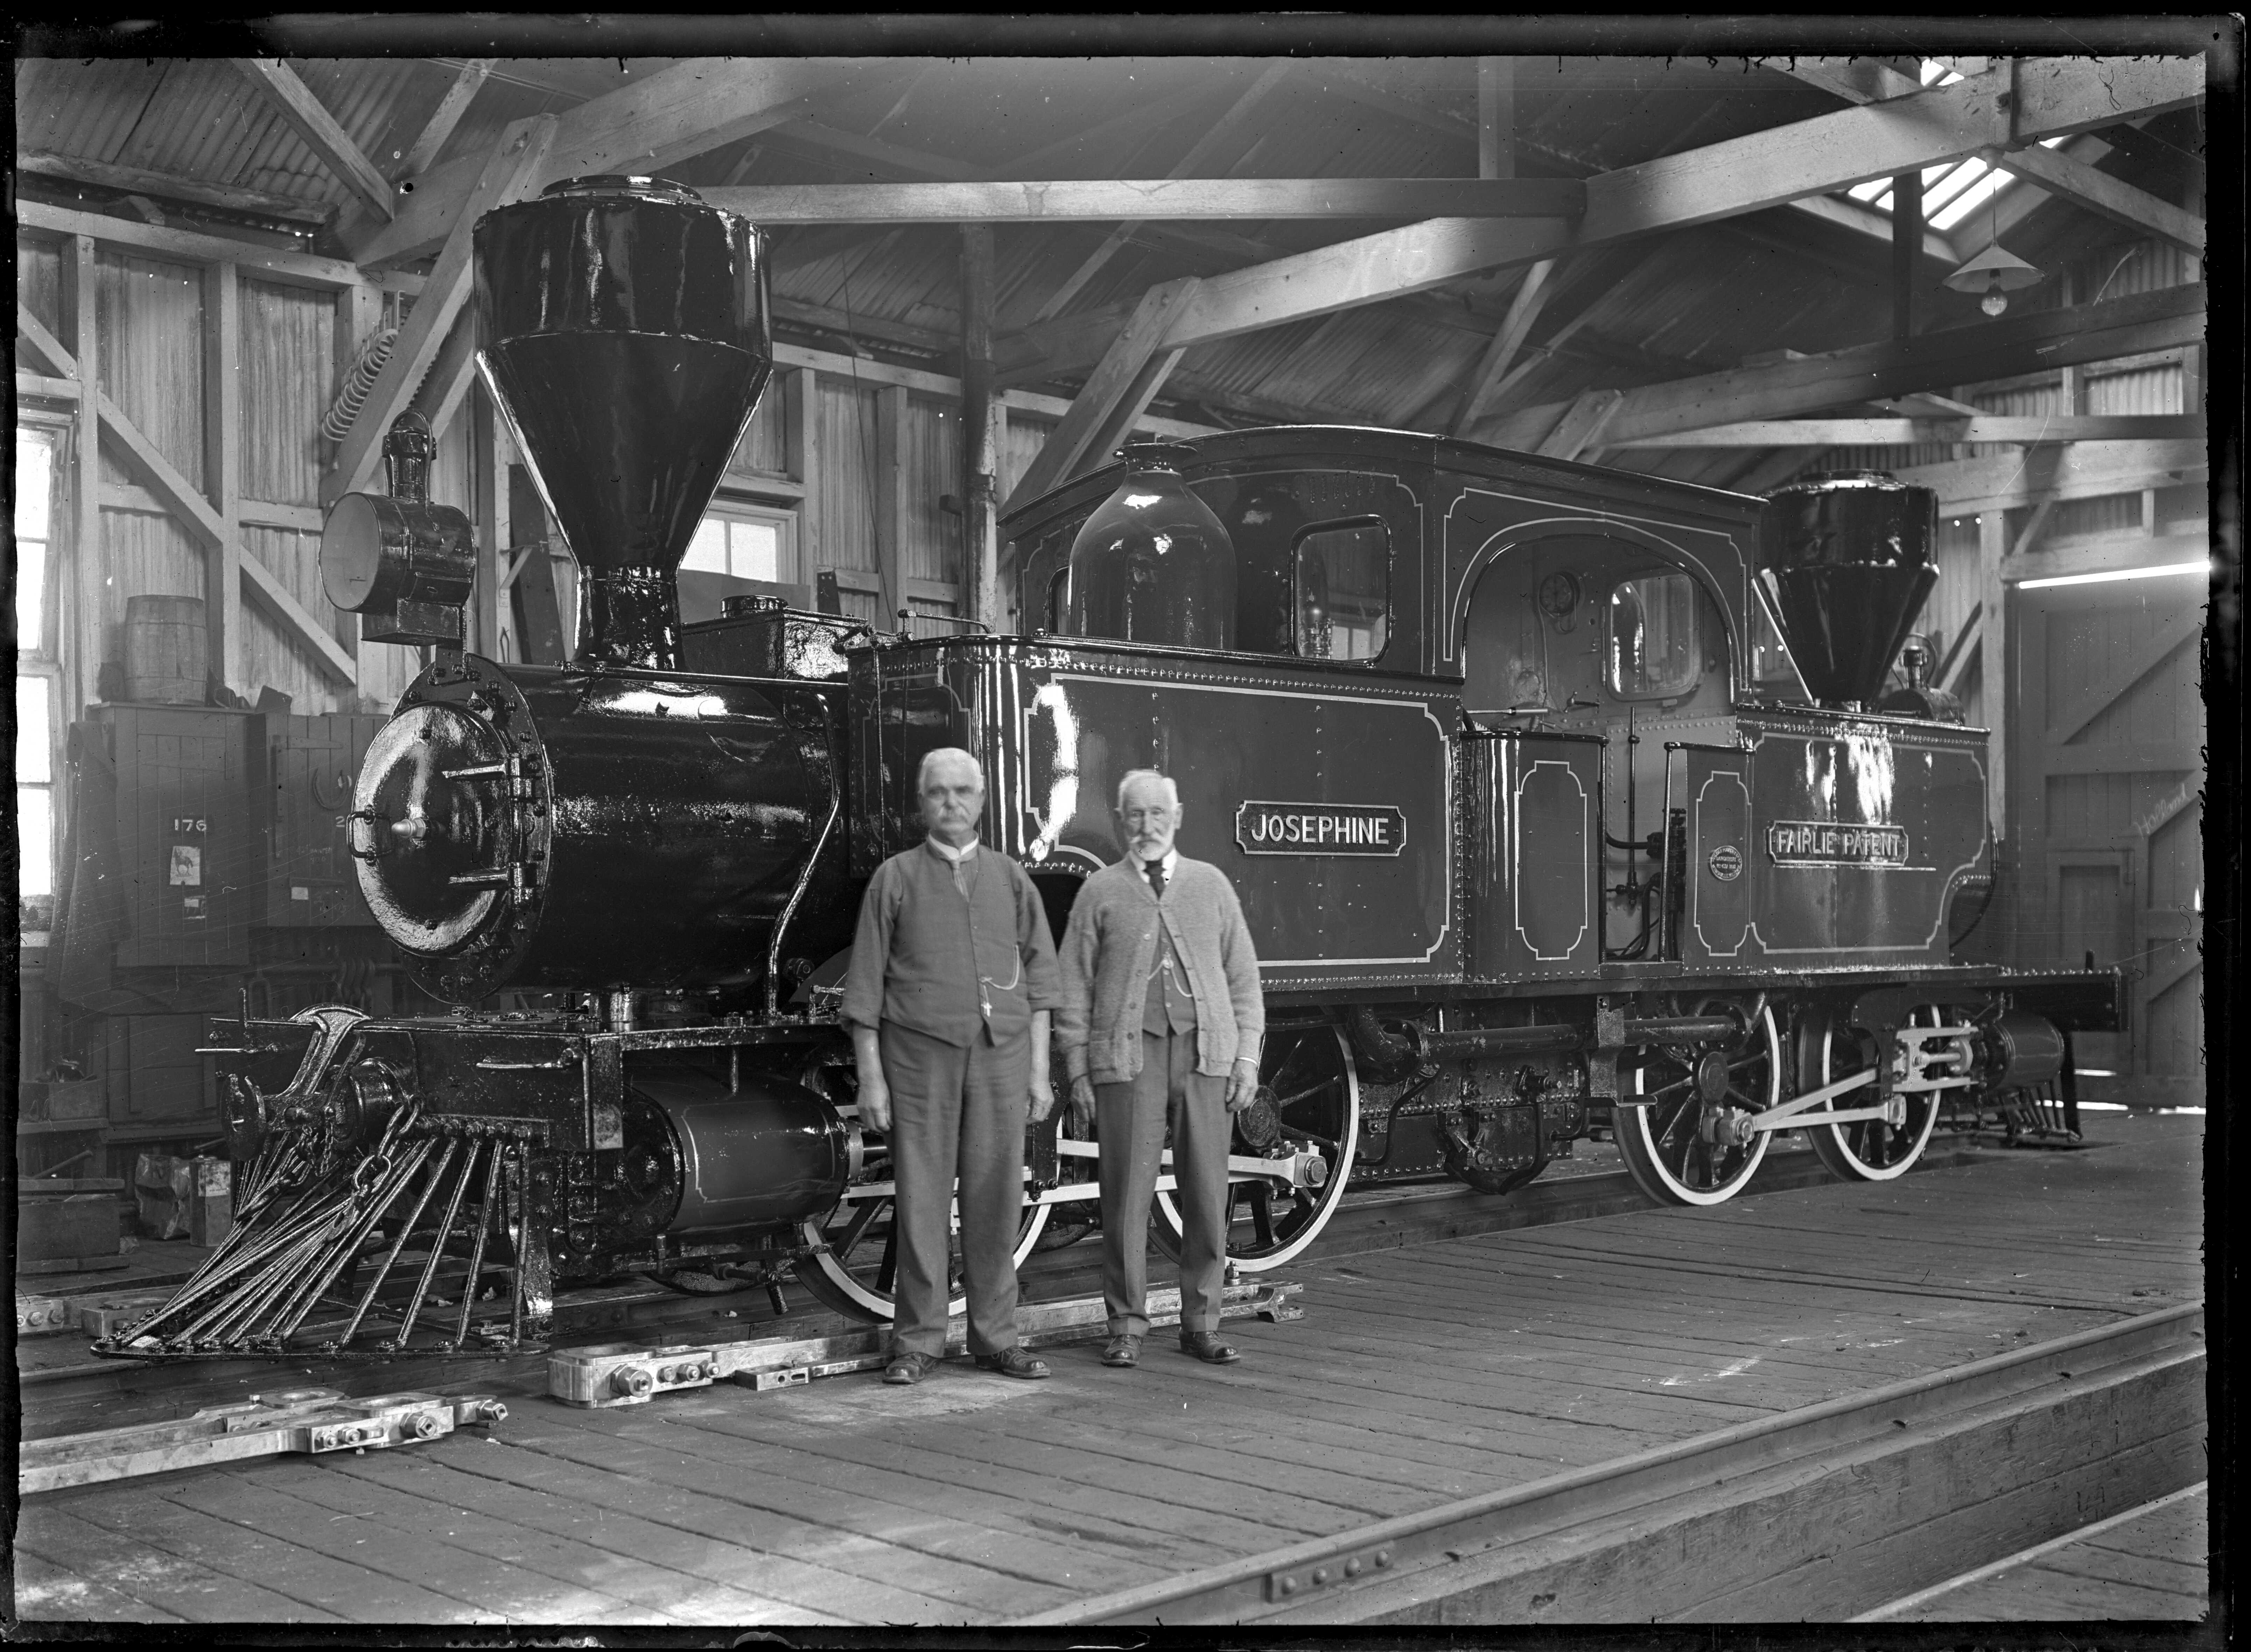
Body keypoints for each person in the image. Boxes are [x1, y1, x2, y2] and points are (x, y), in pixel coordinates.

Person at [840, 747, 1062, 1385]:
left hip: (1001, 1059)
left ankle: (997, 1340)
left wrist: (1039, 1072)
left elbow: (1042, 984)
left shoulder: (1012, 879)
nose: (952, 804)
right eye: (938, 793)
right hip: (918, 1062)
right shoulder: (895, 879)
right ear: (921, 803)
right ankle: (916, 1343)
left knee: (997, 1202)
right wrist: (872, 1077)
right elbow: (864, 993)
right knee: (920, 1201)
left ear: (983, 799)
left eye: (963, 792)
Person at [1057, 768, 1264, 1369]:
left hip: (1207, 1058)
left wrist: (1247, 1056)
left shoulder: (1211, 886)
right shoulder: (1099, 891)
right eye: (1135, 816)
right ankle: (1125, 1326)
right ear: (1122, 823)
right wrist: (1077, 1069)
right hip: (1128, 1060)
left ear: (1177, 818)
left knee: (1205, 1192)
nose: (1147, 826)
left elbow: (1243, 979)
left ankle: (1201, 1322)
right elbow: (1073, 990)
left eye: (1158, 815)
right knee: (1125, 1197)